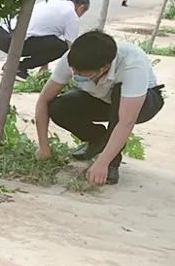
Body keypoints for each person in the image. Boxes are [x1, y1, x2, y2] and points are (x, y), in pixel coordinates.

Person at [35, 30, 165, 186]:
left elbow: (126, 122)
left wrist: (102, 164)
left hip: (143, 103)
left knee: (119, 95)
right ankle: (98, 139)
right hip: (101, 99)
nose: (75, 74)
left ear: (103, 69)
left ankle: (111, 164)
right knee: (58, 107)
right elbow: (43, 100)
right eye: (73, 70)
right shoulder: (74, 57)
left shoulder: (132, 65)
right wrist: (43, 147)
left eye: (80, 73)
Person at [0, 0, 90, 79]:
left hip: (1, 35)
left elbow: (44, 35)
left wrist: (44, 66)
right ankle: (17, 68)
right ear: (81, 8)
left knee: (53, 43)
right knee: (62, 47)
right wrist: (76, 74)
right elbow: (71, 48)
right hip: (15, 41)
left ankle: (13, 67)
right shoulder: (71, 15)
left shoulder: (52, 2)